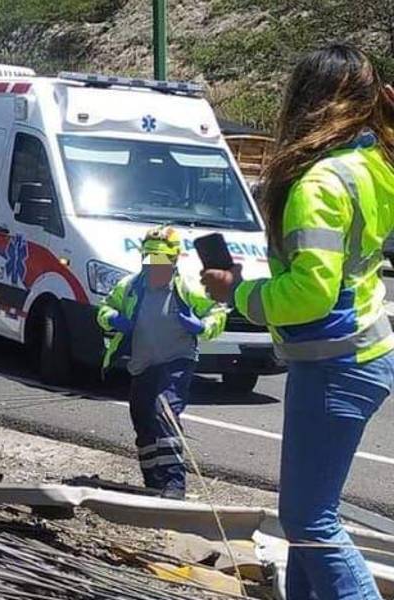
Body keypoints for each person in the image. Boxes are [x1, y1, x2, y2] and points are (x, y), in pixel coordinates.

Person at [201, 44, 394, 600]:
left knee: (311, 521)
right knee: (304, 519)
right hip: (354, 355)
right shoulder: (371, 165)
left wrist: (239, 293)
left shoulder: (319, 184)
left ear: (304, 100)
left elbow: (310, 295)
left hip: (338, 363)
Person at [96, 226, 226, 499]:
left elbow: (218, 312)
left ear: (175, 258)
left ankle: (174, 485)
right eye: (149, 259)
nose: (155, 266)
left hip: (176, 361)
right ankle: (153, 481)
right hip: (142, 364)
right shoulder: (131, 287)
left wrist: (201, 326)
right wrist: (113, 320)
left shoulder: (188, 288)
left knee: (163, 413)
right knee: (142, 418)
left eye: (161, 260)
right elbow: (105, 309)